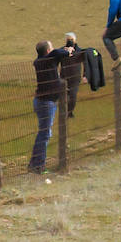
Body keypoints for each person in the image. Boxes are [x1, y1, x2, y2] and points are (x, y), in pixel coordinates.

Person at [28, 40, 73, 173]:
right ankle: (37, 166)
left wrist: (62, 50)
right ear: (48, 51)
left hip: (43, 102)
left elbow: (55, 53)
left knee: (44, 133)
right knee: (44, 134)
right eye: (51, 47)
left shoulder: (40, 61)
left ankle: (35, 163)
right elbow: (57, 53)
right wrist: (68, 51)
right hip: (46, 103)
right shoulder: (48, 60)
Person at [59, 32, 86, 118]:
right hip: (63, 78)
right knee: (63, 97)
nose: (70, 41)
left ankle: (69, 112)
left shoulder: (80, 51)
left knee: (73, 96)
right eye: (68, 39)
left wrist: (85, 75)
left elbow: (86, 63)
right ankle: (63, 113)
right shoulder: (61, 51)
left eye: (71, 39)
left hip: (75, 78)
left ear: (75, 40)